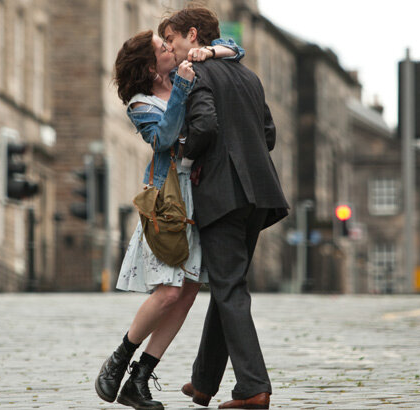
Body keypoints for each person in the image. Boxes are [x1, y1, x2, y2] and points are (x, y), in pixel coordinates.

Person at [95, 29, 244, 410]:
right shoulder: (141, 104)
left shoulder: (186, 71)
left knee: (189, 292)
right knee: (169, 292)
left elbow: (236, 48)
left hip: (202, 197)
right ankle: (119, 359)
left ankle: (139, 379)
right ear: (150, 66)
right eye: (162, 47)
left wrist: (208, 52)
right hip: (169, 203)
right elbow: (163, 140)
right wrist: (182, 89)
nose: (170, 47)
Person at [158, 7, 290, 410]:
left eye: (171, 40)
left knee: (229, 287)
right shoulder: (248, 76)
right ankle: (203, 382)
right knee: (227, 283)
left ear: (192, 35)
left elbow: (204, 127)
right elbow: (268, 134)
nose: (170, 49)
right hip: (259, 195)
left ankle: (253, 388)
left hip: (222, 193)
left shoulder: (195, 73)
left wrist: (182, 151)